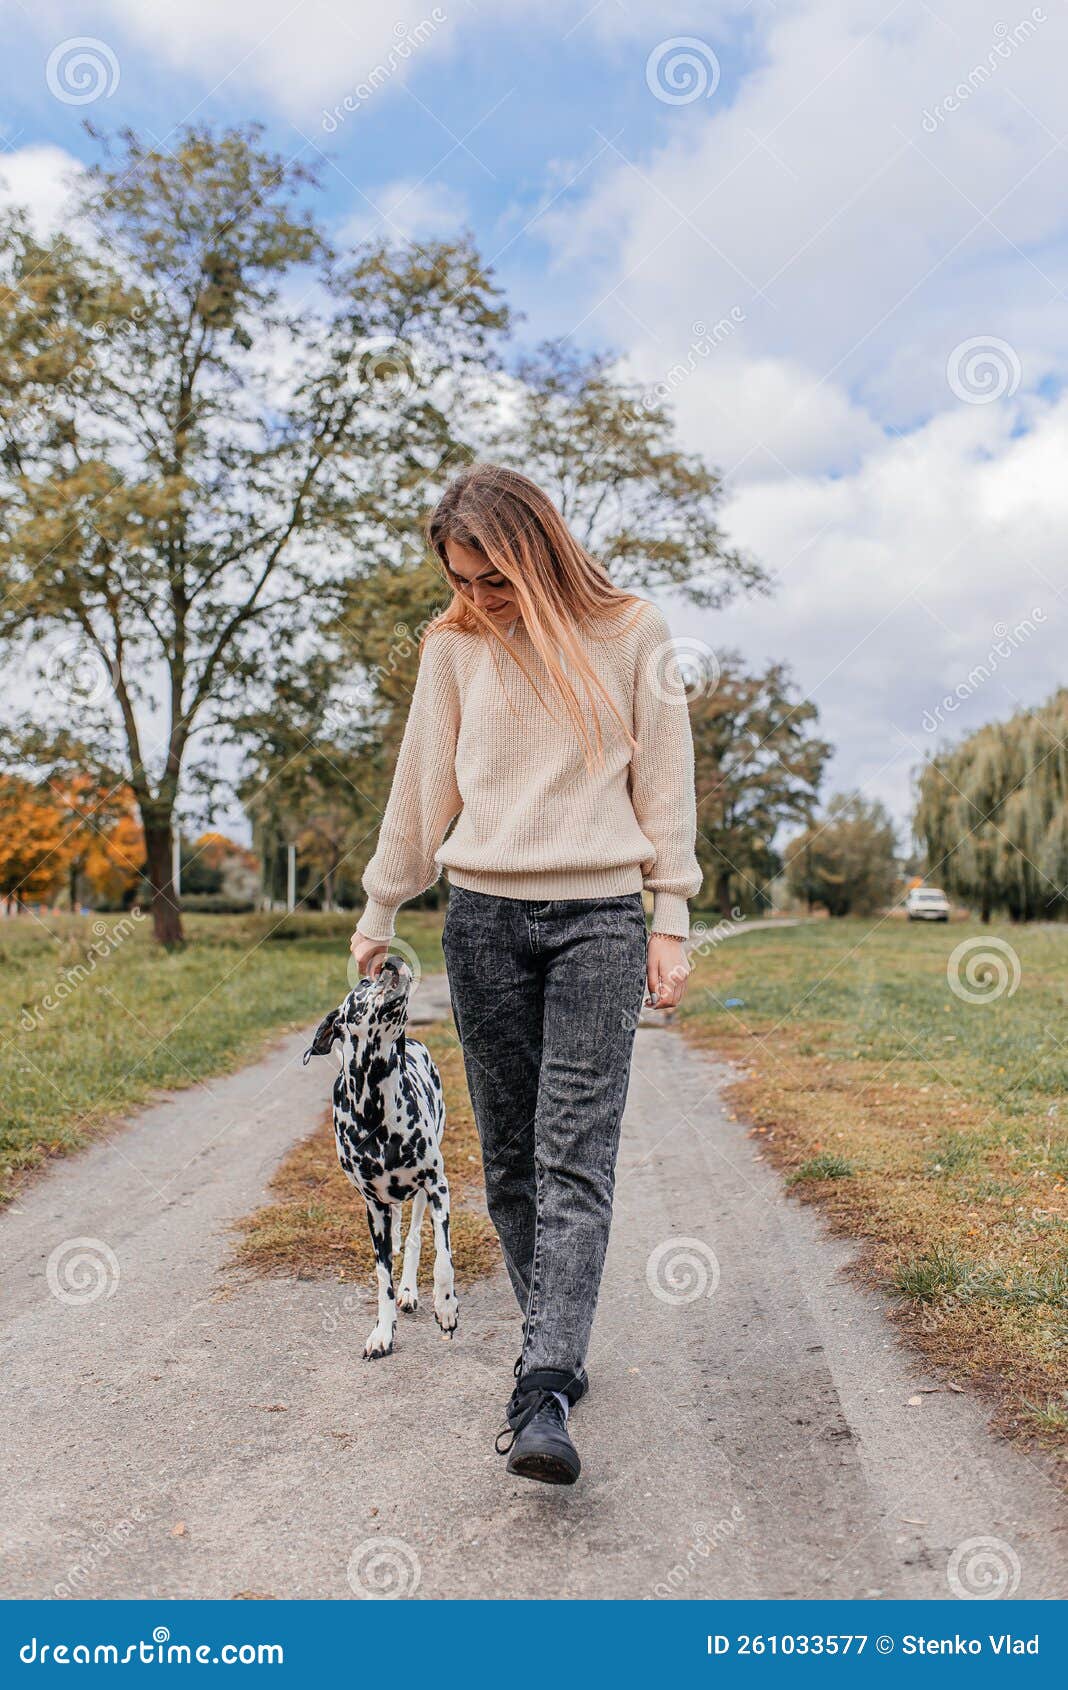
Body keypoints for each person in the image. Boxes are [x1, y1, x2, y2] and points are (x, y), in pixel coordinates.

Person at [350, 463, 701, 1485]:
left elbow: (665, 783)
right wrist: (383, 904)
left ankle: (542, 1381)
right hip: (484, 924)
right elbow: (422, 786)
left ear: (538, 552)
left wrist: (668, 918)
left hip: (599, 919)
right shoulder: (453, 644)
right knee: (509, 1157)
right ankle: (556, 1339)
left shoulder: (635, 630)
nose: (477, 599)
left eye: (493, 580)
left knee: (574, 1154)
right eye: (461, 580)